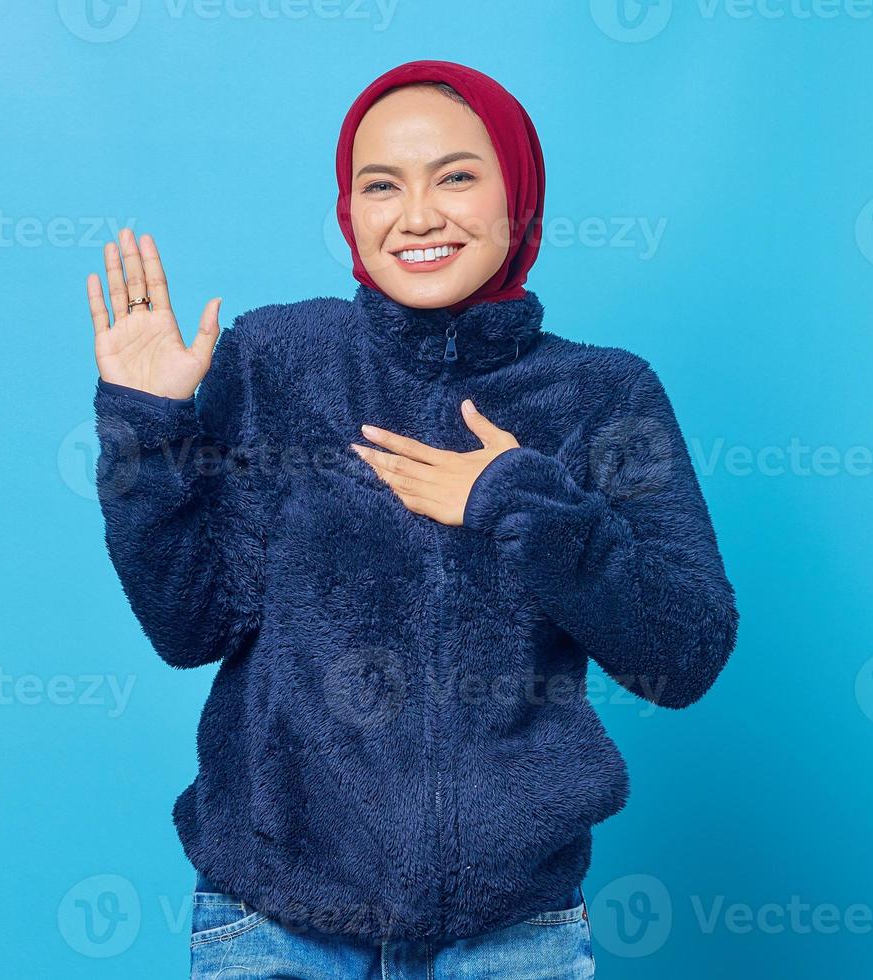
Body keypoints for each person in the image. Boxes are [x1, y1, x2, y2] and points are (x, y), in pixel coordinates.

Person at [85, 59, 739, 979]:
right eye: (381, 184)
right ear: (349, 211)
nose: (418, 215)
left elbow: (685, 655)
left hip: (515, 939)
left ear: (519, 193)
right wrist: (149, 431)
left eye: (457, 176)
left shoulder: (603, 393)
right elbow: (189, 626)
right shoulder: (278, 359)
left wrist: (518, 500)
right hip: (275, 928)